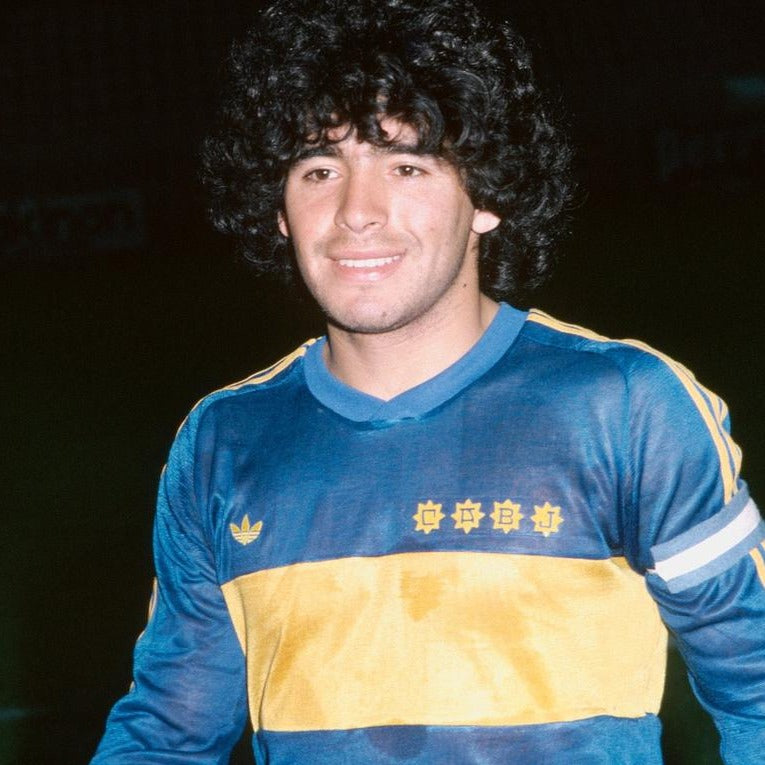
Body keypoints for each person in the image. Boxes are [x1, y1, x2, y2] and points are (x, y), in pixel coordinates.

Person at [91, 0, 765, 762]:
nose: (356, 212)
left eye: (406, 166)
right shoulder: (222, 442)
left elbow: (756, 688)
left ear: (488, 197)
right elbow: (167, 734)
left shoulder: (627, 407)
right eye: (319, 170)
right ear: (279, 210)